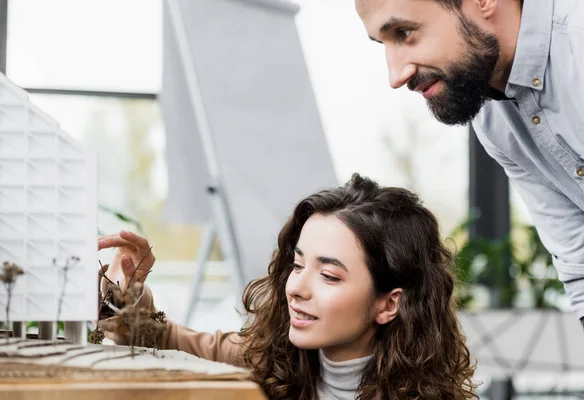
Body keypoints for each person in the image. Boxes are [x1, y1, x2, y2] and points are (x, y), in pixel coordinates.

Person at [98, 174, 478, 400]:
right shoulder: (264, 360)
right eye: (297, 265)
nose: (296, 288)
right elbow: (154, 336)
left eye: (329, 276)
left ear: (389, 304)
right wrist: (123, 293)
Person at [354, 0, 584, 325]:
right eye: (383, 44)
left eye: (405, 33)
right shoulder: (494, 121)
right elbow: (578, 257)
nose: (395, 75)